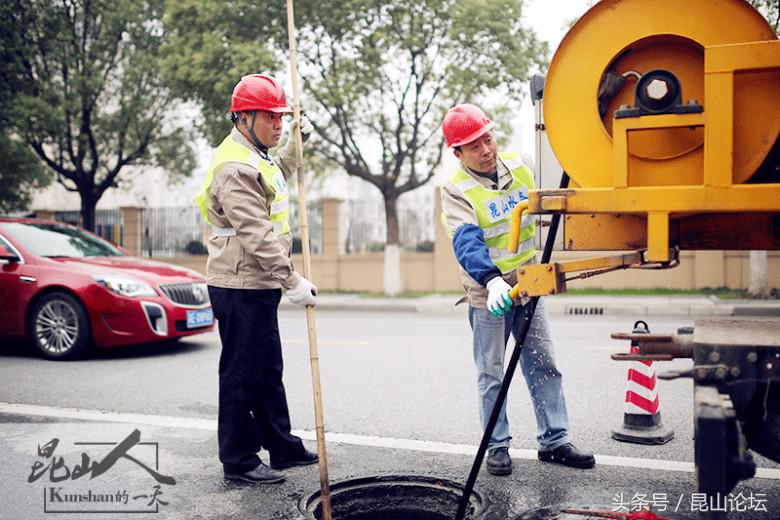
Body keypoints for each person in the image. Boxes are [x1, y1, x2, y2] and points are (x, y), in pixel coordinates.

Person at [440, 103, 595, 475]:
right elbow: (466, 240)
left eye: (487, 138)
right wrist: (491, 280)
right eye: (474, 146)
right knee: (492, 373)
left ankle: (555, 440)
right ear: (458, 153)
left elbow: (553, 201)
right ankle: (496, 445)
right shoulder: (456, 189)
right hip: (489, 294)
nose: (486, 149)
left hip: (528, 287)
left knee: (544, 364)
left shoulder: (523, 164)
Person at [195, 73, 319, 484]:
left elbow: (275, 176)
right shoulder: (233, 167)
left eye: (282, 117)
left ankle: (280, 445)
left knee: (268, 370)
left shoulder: (256, 155)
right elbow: (255, 233)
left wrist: (291, 148)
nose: (278, 124)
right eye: (271, 118)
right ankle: (239, 459)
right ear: (244, 117)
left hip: (257, 282)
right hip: (239, 285)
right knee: (241, 373)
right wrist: (292, 280)